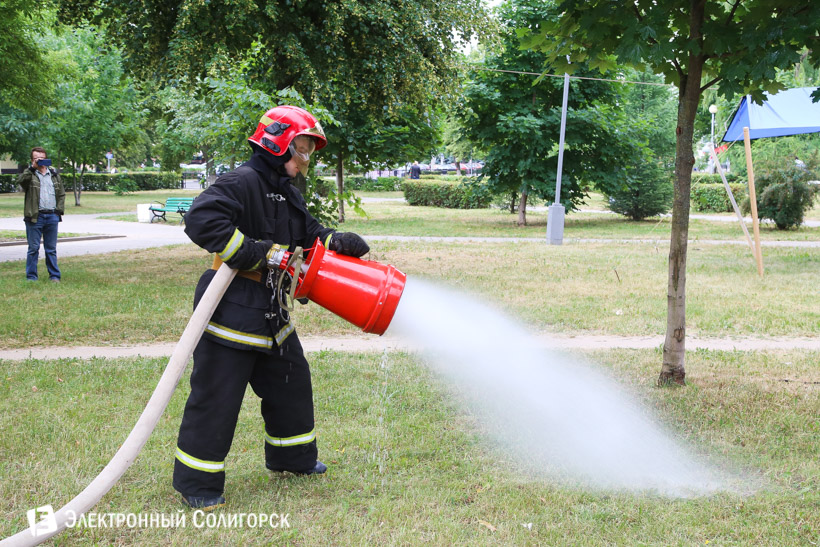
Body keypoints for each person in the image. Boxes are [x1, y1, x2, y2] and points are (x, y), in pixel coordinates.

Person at [173, 105, 370, 510]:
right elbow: (201, 219)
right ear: (279, 141)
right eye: (302, 146)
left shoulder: (285, 191)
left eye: (310, 148)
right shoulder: (241, 181)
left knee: (291, 383)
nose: (306, 156)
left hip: (271, 311)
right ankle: (199, 485)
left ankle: (293, 459)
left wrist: (337, 242)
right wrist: (257, 253)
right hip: (231, 310)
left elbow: (310, 235)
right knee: (216, 398)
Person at [17, 147, 65, 282]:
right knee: (33, 248)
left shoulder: (54, 175)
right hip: (34, 217)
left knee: (51, 249)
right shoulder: (30, 175)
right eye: (37, 158)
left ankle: (54, 276)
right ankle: (31, 277)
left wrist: (58, 211)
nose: (40, 160)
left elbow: (61, 194)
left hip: (51, 216)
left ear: (46, 158)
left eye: (42, 158)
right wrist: (32, 168)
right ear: (32, 160)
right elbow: (21, 182)